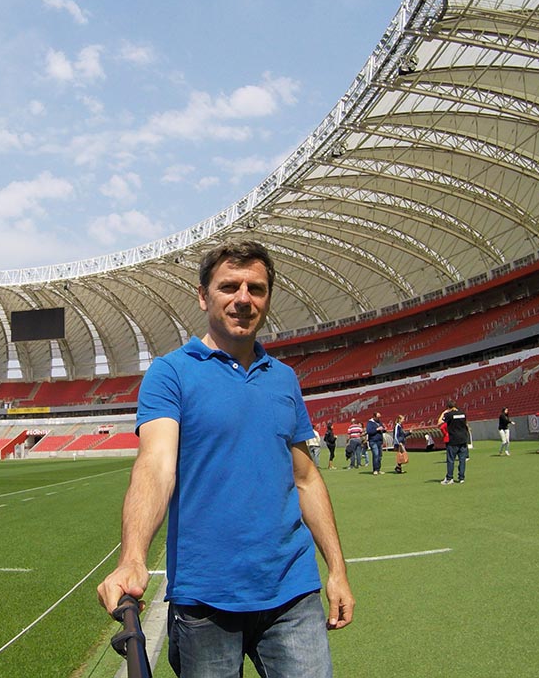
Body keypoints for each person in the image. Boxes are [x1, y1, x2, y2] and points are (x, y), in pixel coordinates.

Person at [96, 240, 354, 677]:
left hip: (293, 591)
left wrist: (337, 570)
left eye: (256, 288)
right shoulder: (172, 372)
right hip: (205, 597)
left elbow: (306, 479)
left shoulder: (285, 378)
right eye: (229, 286)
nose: (243, 299)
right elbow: (156, 465)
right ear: (203, 295)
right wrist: (133, 556)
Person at [439, 400, 470, 484]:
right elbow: (466, 424)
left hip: (453, 440)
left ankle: (449, 478)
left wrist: (444, 412)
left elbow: (439, 423)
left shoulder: (449, 415)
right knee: (462, 459)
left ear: (448, 408)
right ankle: (461, 478)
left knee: (451, 460)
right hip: (463, 439)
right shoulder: (463, 413)